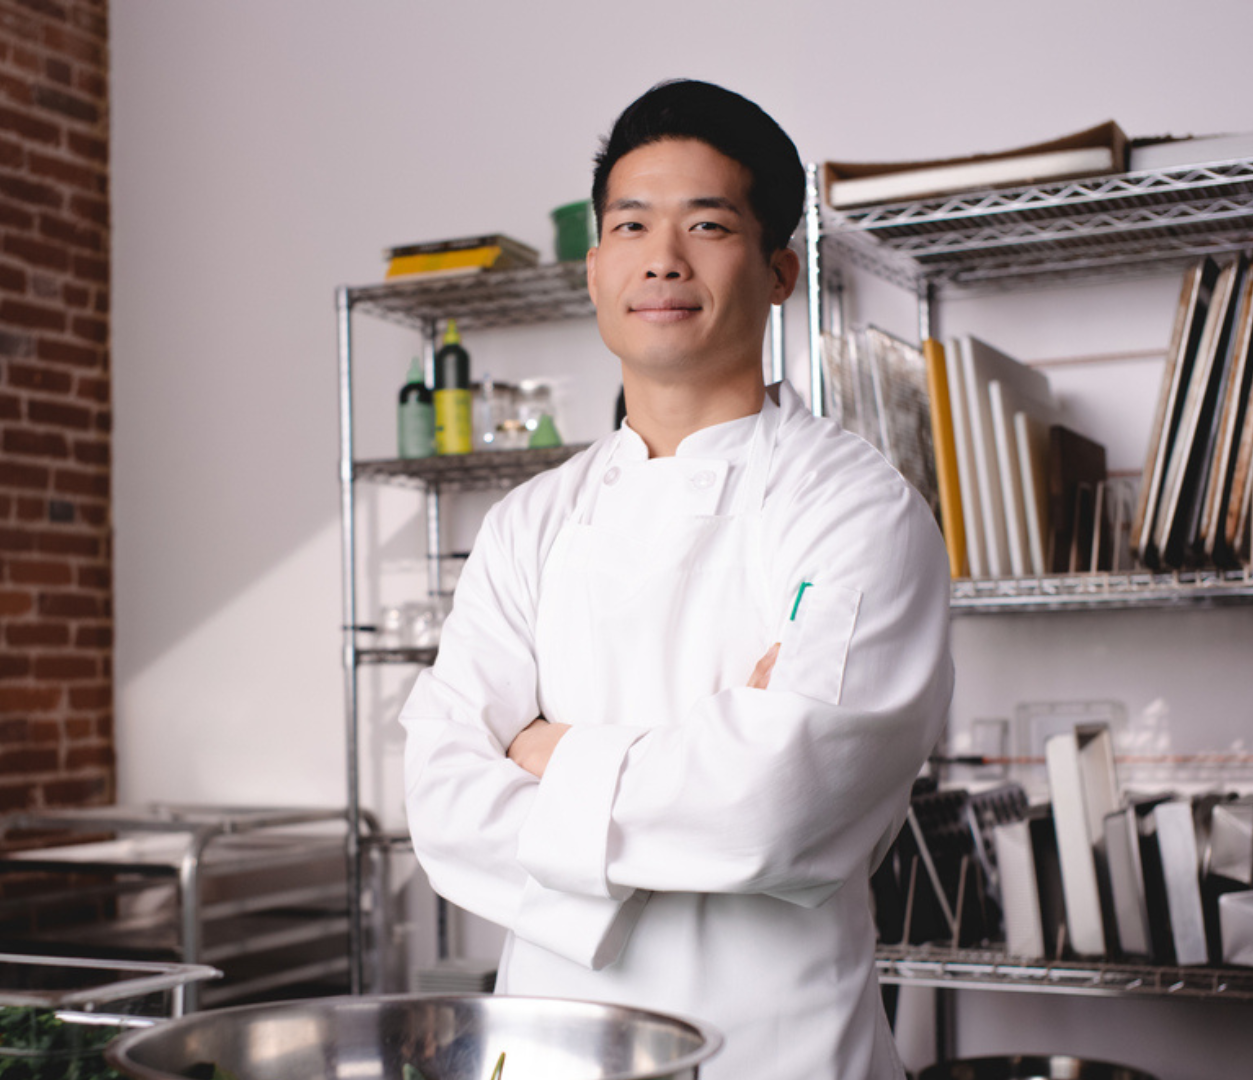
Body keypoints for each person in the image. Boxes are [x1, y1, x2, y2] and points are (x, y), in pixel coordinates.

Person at [399, 79, 953, 1080]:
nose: (663, 258)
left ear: (781, 269)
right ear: (593, 268)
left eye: (707, 224)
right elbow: (440, 803)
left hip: (776, 1053)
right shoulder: (530, 522)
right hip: (551, 1053)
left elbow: (774, 804)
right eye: (631, 226)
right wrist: (698, 773)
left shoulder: (855, 511)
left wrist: (542, 749)